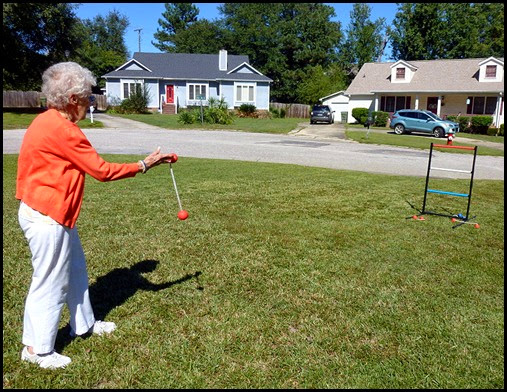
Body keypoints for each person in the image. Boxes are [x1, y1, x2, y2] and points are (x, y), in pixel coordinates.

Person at [16, 62, 176, 369]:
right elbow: (102, 171)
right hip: (48, 217)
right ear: (73, 99)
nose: (92, 101)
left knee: (75, 271)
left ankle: (85, 324)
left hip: (49, 213)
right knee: (50, 283)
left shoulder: (45, 121)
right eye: (89, 96)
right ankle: (37, 350)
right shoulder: (64, 130)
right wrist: (144, 164)